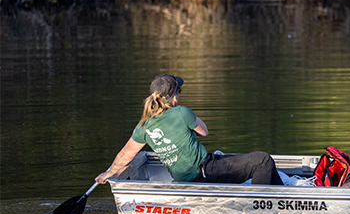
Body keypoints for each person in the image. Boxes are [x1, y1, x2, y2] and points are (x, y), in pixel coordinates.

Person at [95, 74, 284, 185]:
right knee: (263, 160)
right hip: (205, 171)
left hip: (185, 178)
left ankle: (277, 198)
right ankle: (260, 207)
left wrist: (108, 173)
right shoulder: (181, 112)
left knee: (258, 162)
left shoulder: (143, 125)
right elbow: (204, 131)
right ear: (172, 97)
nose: (180, 94)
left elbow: (124, 155)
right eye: (179, 91)